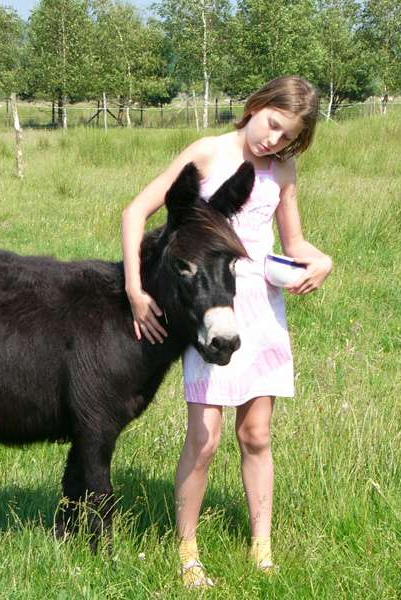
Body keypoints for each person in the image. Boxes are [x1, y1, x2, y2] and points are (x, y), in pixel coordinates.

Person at [121, 75, 333, 588]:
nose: (273, 140)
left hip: (262, 313)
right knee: (205, 437)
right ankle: (188, 553)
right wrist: (135, 288)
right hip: (209, 310)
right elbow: (136, 210)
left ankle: (262, 547)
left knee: (256, 434)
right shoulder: (206, 152)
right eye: (273, 125)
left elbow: (294, 240)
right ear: (258, 105)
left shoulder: (282, 170)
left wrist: (321, 260)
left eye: (287, 137)